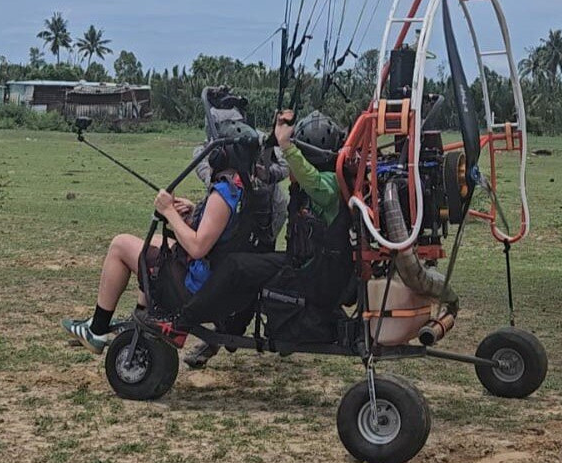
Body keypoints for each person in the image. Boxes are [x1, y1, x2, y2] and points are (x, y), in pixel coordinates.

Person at [137, 108, 353, 348]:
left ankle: (182, 322)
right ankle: (232, 328)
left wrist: (288, 147)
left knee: (237, 266)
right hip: (308, 264)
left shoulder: (330, 183)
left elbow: (312, 180)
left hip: (317, 271)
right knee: (251, 263)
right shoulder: (326, 178)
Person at [62, 120, 260, 354]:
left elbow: (197, 247)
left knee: (120, 245)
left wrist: (168, 212)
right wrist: (194, 211)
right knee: (155, 245)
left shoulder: (224, 192)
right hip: (220, 278)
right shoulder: (247, 186)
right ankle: (143, 318)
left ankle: (96, 329)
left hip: (199, 287)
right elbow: (221, 231)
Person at [182, 134, 290, 368]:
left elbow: (283, 166)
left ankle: (230, 331)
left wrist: (262, 171)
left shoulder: (259, 144)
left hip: (262, 225)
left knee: (247, 274)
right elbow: (203, 162)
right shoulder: (225, 176)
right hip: (238, 220)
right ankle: (227, 332)